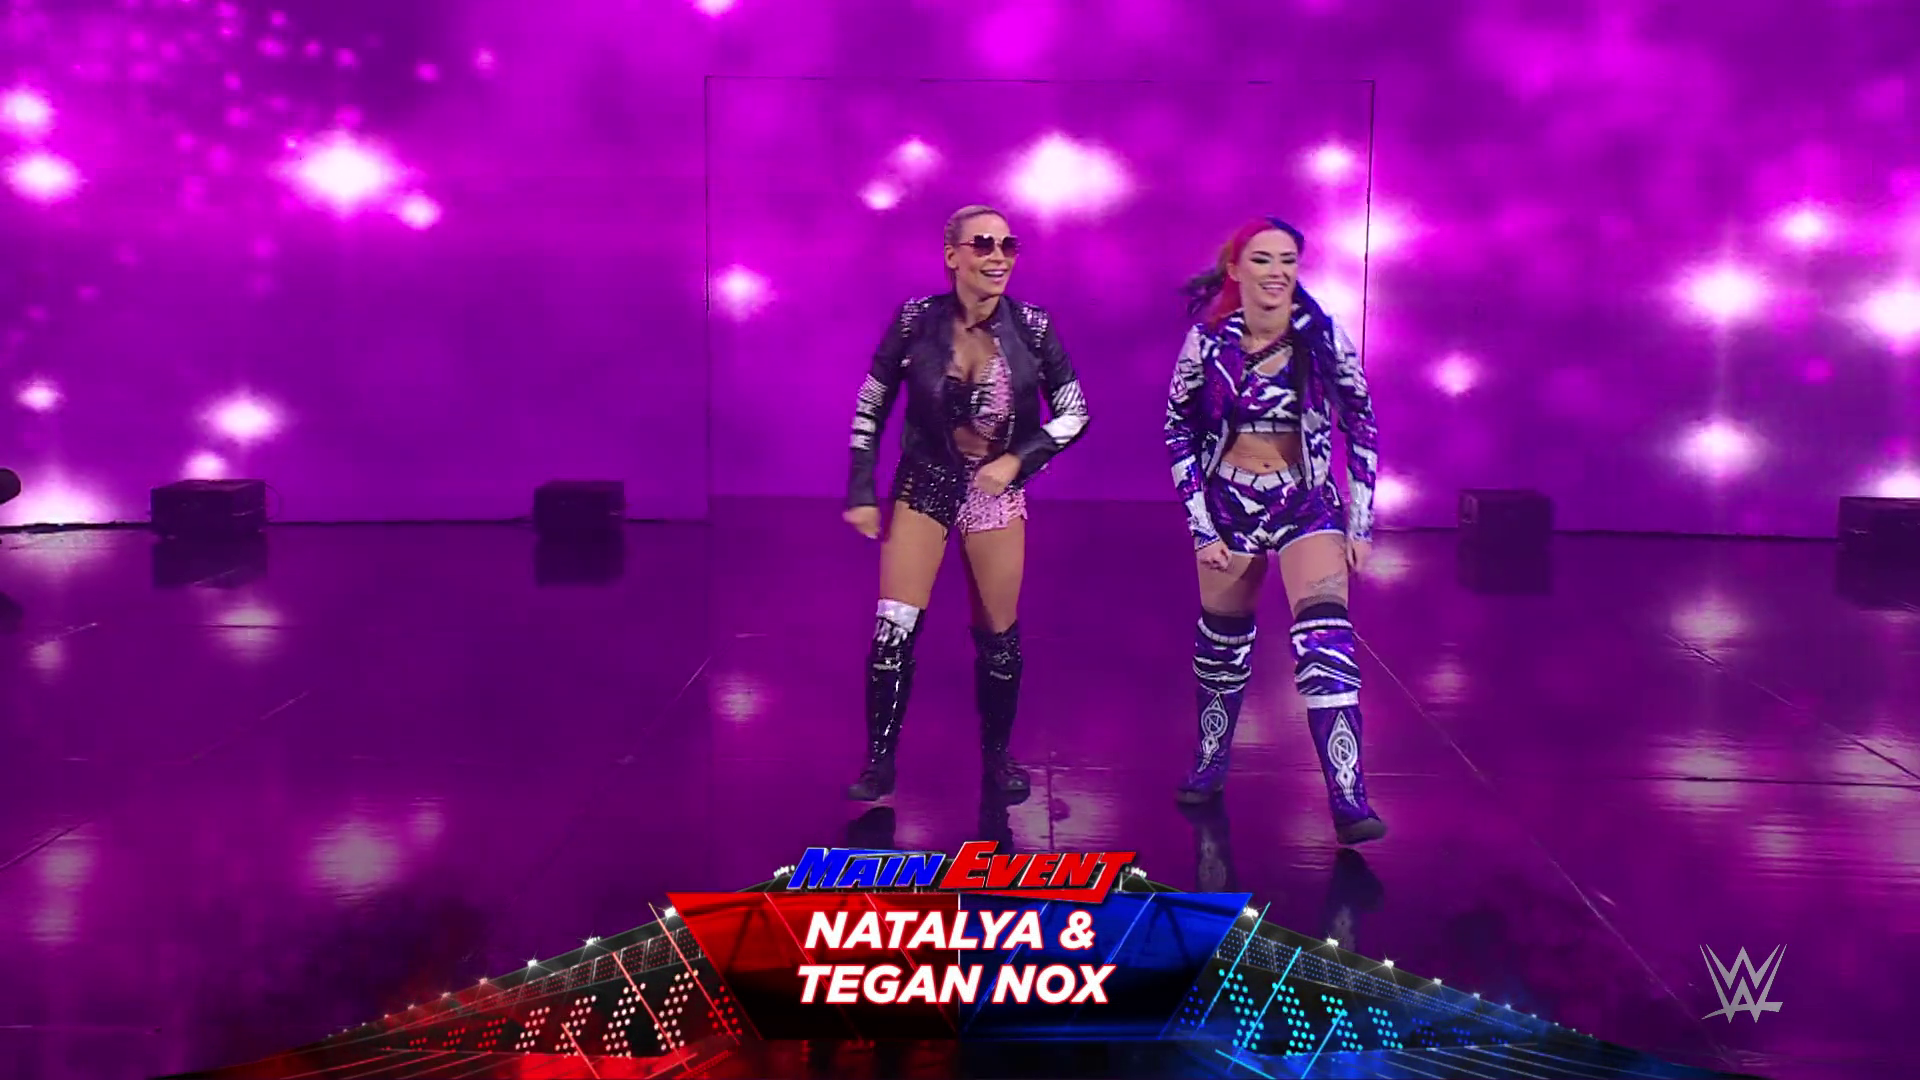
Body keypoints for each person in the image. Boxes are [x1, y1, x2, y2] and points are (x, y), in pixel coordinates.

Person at [841, 204, 1091, 801]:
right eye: (983, 244)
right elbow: (871, 405)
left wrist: (1017, 460)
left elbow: (1075, 412)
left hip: (994, 494)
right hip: (925, 482)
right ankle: (878, 763)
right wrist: (861, 488)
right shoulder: (914, 321)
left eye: (1008, 245)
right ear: (952, 254)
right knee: (893, 628)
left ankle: (998, 758)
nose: (998, 256)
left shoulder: (1033, 327)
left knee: (997, 636)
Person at [1163, 216, 1386, 845]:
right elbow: (1177, 428)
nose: (1277, 272)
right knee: (1222, 646)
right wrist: (1201, 526)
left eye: (1288, 259)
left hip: (1305, 504)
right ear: (1236, 269)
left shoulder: (1324, 339)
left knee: (1327, 642)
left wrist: (1360, 523)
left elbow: (1361, 423)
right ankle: (1210, 762)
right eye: (1262, 259)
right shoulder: (1208, 344)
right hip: (1229, 505)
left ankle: (1349, 799)